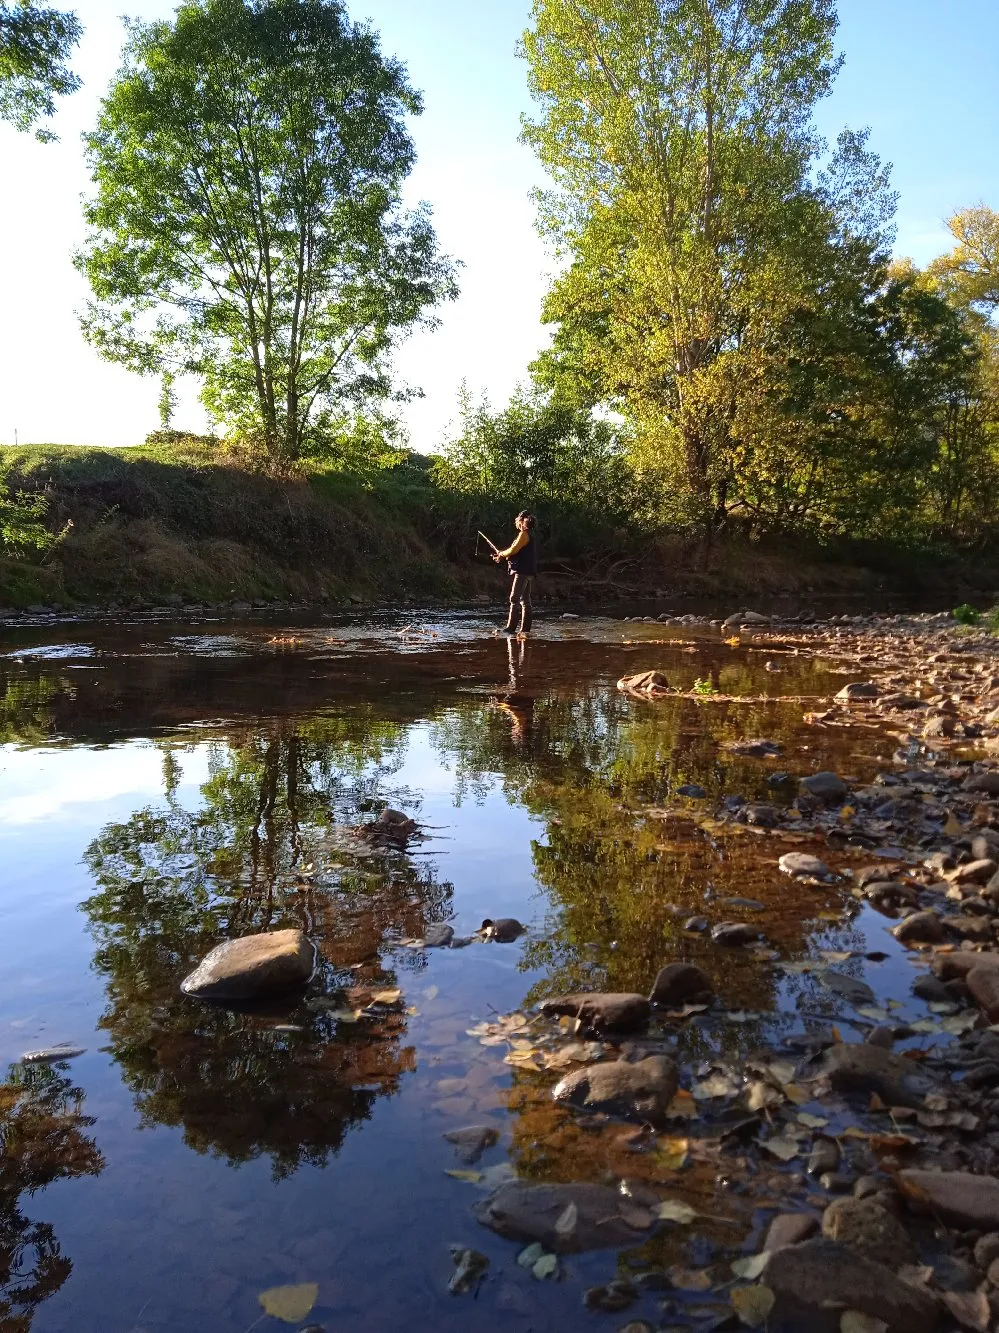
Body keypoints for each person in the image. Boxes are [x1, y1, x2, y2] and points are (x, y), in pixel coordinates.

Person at [492, 510, 537, 635]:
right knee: (525, 601)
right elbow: (514, 551)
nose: (517, 522)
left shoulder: (524, 534)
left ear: (522, 521)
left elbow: (513, 549)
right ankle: (525, 630)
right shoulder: (530, 534)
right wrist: (503, 555)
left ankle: (510, 628)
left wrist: (501, 554)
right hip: (529, 571)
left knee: (514, 598)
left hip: (522, 571)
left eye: (518, 520)